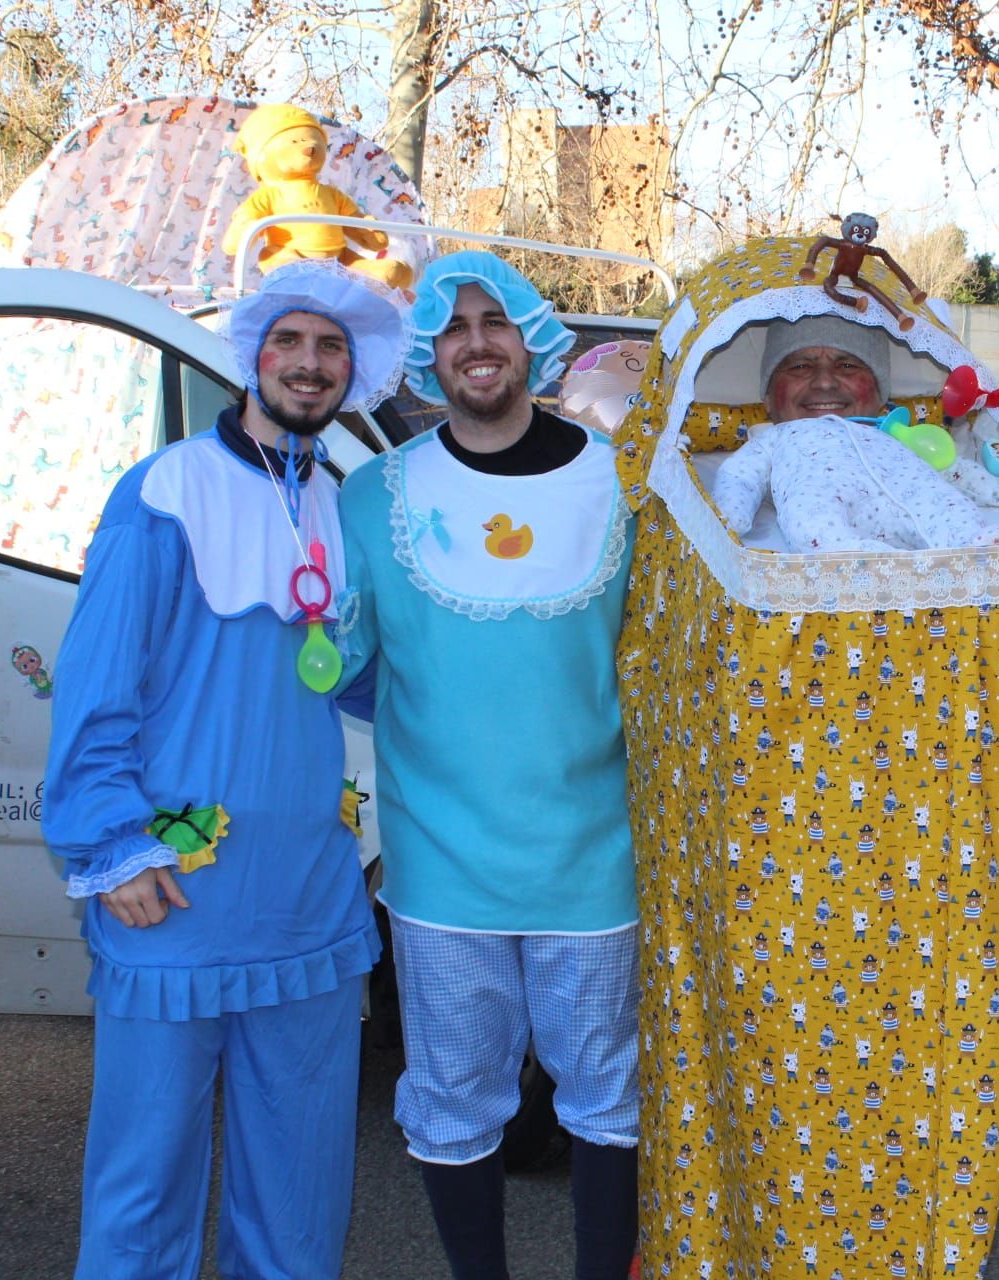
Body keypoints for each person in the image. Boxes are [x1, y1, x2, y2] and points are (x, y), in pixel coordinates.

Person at [41, 261, 407, 1279]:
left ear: (352, 370)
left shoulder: (345, 506)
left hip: (307, 905)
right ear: (253, 354)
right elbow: (97, 682)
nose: (308, 361)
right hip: (172, 894)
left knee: (300, 1191)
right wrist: (110, 842)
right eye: (289, 340)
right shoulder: (165, 488)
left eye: (330, 346)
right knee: (142, 1188)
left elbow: (366, 679)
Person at [336, 250, 638, 1280]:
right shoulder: (372, 497)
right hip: (441, 868)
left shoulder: (621, 482)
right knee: (455, 1094)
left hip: (595, 860)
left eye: (496, 321)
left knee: (607, 1093)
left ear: (532, 339)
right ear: (428, 350)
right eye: (455, 324)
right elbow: (344, 664)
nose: (476, 342)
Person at [757, 313, 999, 459]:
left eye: (847, 365)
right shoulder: (731, 484)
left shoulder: (941, 455)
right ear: (769, 398)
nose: (825, 381)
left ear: (881, 394)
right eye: (800, 365)